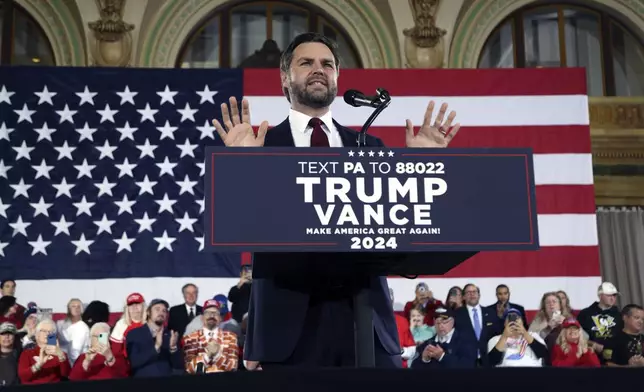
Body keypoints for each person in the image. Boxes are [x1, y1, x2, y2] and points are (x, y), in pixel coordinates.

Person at [211, 32, 461, 369]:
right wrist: (243, 168)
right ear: (286, 77)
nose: (319, 69)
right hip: (288, 332)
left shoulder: (369, 147)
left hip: (365, 322)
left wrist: (419, 170)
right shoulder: (261, 146)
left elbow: (407, 225)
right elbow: (239, 226)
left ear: (337, 77)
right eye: (306, 63)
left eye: (327, 64)